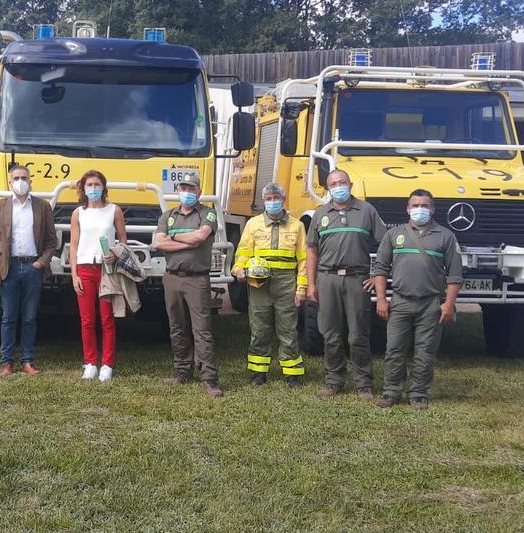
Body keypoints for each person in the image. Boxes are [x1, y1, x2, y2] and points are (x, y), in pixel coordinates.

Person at [373, 189, 462, 410]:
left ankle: (418, 394)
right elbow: (381, 269)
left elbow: (455, 275)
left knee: (425, 351)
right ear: (407, 208)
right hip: (400, 301)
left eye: (424, 206)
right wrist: (382, 299)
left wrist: (449, 304)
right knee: (394, 349)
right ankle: (391, 392)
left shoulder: (446, 236)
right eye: (415, 205)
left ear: (432, 209)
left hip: (430, 303)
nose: (419, 209)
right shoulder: (394, 235)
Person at [305, 169, 388, 399]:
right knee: (330, 334)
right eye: (333, 183)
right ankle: (334, 380)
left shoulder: (367, 211)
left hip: (357, 280)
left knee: (358, 335)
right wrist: (311, 284)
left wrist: (377, 273)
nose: (338, 186)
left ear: (350, 185)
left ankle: (364, 383)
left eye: (342, 182)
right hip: (327, 278)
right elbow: (311, 251)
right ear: (327, 188)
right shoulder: (320, 213)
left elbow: (385, 244)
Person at [153, 172, 223, 398]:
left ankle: (209, 378)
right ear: (178, 191)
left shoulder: (208, 214)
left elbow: (200, 238)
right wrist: (185, 239)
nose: (187, 193)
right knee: (177, 327)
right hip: (172, 277)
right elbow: (157, 242)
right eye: (183, 188)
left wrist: (171, 238)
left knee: (201, 330)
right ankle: (182, 371)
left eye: (191, 189)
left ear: (199, 191)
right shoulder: (168, 215)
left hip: (197, 279)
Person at [0, 164, 58, 376]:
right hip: (9, 268)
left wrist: (41, 263)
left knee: (29, 317)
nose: (20, 181)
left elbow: (52, 241)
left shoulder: (43, 207)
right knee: (8, 316)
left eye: (24, 177)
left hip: (33, 267)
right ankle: (6, 362)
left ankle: (27, 361)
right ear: (10, 181)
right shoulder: (0, 206)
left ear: (30, 180)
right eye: (16, 178)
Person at [232, 183, 308, 388]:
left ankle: (292, 375)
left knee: (288, 330)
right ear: (264, 200)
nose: (272, 201)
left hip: (286, 283)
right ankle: (258, 373)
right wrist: (238, 269)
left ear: (283, 199)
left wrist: (301, 288)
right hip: (258, 284)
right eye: (268, 198)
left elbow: (304, 260)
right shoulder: (253, 224)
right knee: (259, 328)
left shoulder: (297, 225)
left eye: (276, 197)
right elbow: (243, 252)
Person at [68, 170, 127, 381]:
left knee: (107, 318)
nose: (93, 188)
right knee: (86, 319)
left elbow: (123, 240)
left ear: (103, 187)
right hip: (84, 268)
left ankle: (107, 364)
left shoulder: (114, 211)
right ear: (83, 188)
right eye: (89, 185)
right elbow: (73, 245)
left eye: (97, 184)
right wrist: (74, 274)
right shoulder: (78, 213)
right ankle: (90, 362)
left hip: (106, 270)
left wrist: (115, 253)